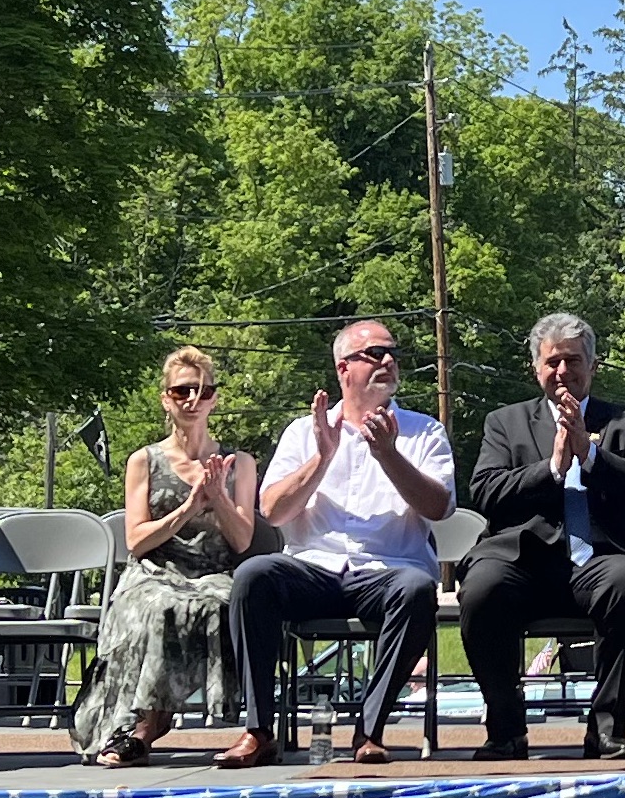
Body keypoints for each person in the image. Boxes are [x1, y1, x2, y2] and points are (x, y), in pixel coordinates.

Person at [212, 321, 452, 768]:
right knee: (253, 576)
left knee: (418, 589)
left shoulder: (423, 432)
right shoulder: (304, 432)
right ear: (343, 368)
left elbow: (438, 507)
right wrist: (323, 457)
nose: (388, 361)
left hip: (387, 570)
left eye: (392, 353)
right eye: (375, 353)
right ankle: (259, 731)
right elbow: (272, 511)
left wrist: (389, 454)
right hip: (314, 569)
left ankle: (370, 730)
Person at [459, 314, 625, 761]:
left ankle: (606, 730)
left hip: (602, 557)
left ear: (593, 366)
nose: (563, 371)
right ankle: (506, 730)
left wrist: (589, 452)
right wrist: (551, 467)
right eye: (552, 362)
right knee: (481, 589)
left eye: (573, 360)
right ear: (536, 368)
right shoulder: (505, 422)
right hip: (523, 560)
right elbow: (487, 492)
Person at [74, 347, 256, 765]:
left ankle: (245, 730)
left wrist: (219, 499)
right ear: (165, 399)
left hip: (213, 570)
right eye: (182, 391)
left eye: (204, 391)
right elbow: (137, 541)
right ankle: (142, 727)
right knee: (159, 606)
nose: (193, 400)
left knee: (222, 604)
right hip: (155, 570)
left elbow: (242, 540)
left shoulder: (240, 463)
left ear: (214, 399)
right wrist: (189, 508)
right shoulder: (145, 460)